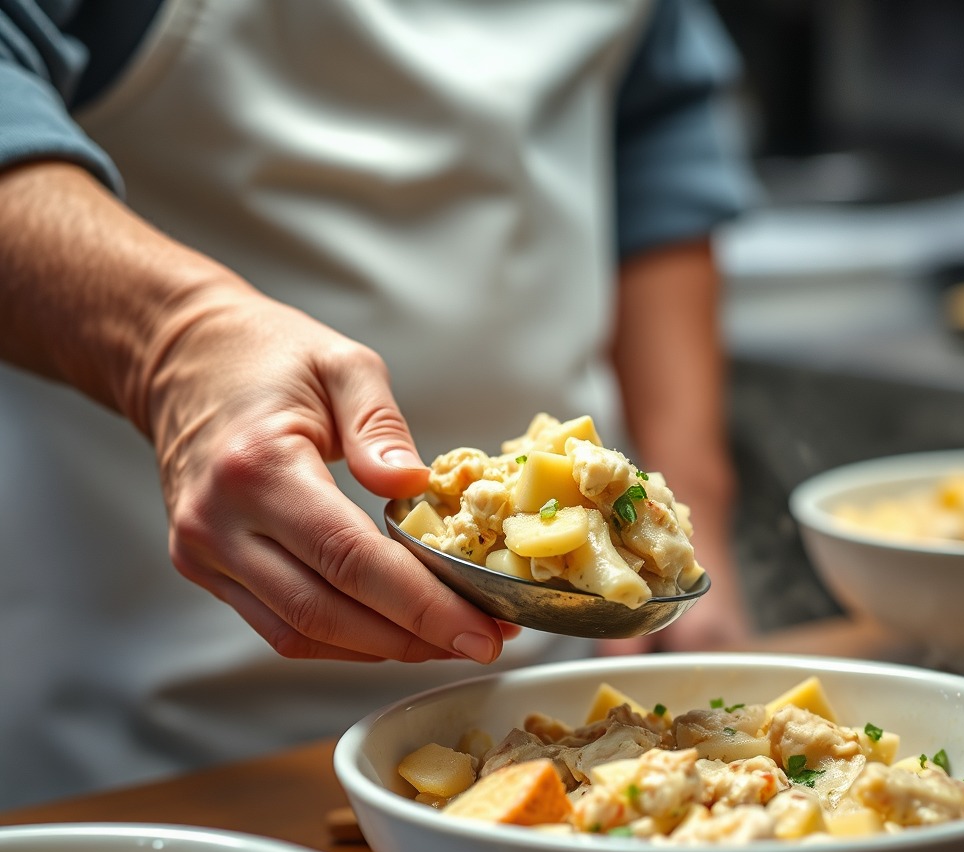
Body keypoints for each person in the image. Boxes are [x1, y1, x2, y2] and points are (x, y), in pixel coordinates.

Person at [0, 0, 759, 807]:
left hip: (550, 704)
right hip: (157, 747)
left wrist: (686, 514)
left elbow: (653, 125)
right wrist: (173, 340)